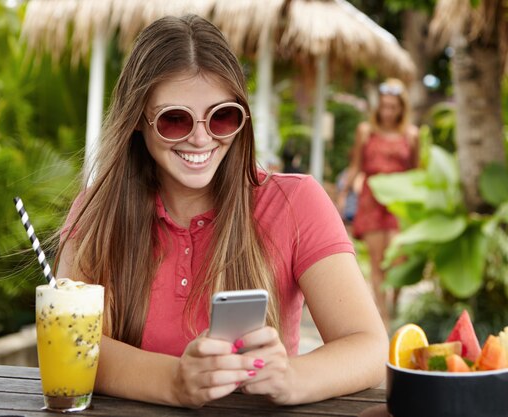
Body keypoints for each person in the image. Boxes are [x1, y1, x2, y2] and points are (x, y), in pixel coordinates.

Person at [55, 15, 386, 409]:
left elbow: (369, 347)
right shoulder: (98, 212)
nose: (201, 137)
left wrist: (291, 376)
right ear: (138, 123)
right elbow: (70, 343)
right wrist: (174, 382)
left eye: (221, 116)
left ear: (242, 118)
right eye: (174, 120)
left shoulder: (296, 203)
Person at [338, 78, 419, 325]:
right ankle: (382, 317)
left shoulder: (411, 135)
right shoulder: (366, 131)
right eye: (384, 105)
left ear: (401, 108)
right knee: (376, 260)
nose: (387, 111)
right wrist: (343, 195)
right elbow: (356, 166)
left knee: (398, 259)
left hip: (398, 202)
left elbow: (416, 171)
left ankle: (394, 302)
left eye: (393, 106)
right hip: (371, 200)